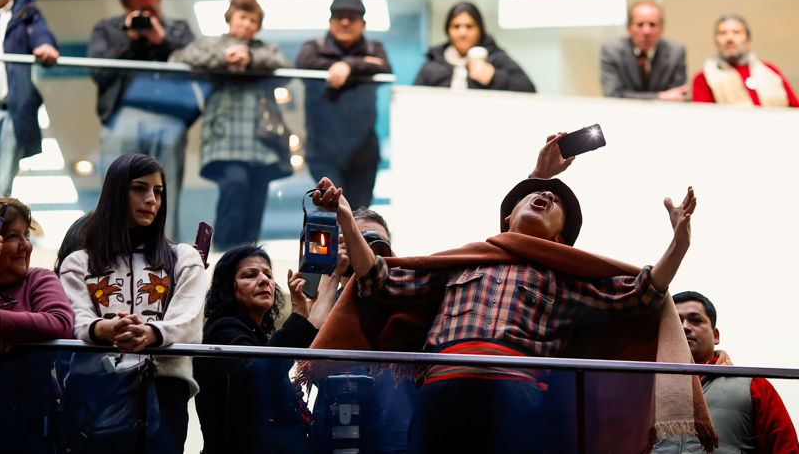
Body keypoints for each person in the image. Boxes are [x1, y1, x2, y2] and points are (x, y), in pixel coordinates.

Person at [302, 156, 716, 453]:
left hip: (516, 393)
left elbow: (642, 295)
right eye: (536, 194)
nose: (545, 197)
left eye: (555, 203)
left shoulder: (567, 276)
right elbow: (377, 281)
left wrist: (678, 244)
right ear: (506, 219)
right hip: (443, 388)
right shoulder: (461, 261)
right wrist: (341, 215)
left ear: (560, 239)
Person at [59, 153, 207, 454]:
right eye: (140, 188)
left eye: (158, 191)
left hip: (164, 390)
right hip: (96, 389)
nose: (152, 199)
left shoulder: (184, 258)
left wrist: (150, 334)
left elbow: (190, 323)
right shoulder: (78, 263)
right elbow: (73, 318)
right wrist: (104, 329)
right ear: (115, 193)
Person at [169, 0, 292, 250]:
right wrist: (225, 57)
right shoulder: (211, 44)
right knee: (235, 185)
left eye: (252, 20)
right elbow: (178, 59)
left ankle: (248, 254)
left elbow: (283, 67)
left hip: (261, 141)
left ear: (258, 25)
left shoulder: (265, 49)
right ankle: (224, 252)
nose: (246, 24)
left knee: (256, 198)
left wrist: (249, 59)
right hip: (224, 137)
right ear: (230, 19)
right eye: (242, 17)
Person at [193, 244, 338, 453]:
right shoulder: (223, 329)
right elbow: (257, 375)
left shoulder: (252, 335)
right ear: (228, 288)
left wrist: (286, 392)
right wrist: (297, 313)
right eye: (250, 275)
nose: (264, 280)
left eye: (268, 275)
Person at [87, 0, 196, 239]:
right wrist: (130, 38)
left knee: (166, 193)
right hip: (123, 118)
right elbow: (98, 73)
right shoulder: (107, 29)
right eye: (140, 9)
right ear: (125, 6)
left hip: (170, 119)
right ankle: (113, 247)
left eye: (152, 7)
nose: (148, 14)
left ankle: (165, 253)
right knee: (117, 189)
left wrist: (164, 42)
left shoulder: (178, 30)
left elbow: (197, 67)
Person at [311, 207, 418, 454]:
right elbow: (311, 345)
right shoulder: (324, 302)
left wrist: (390, 265)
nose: (366, 247)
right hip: (337, 435)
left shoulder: (407, 299)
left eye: (375, 240)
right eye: (356, 238)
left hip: (398, 435)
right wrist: (335, 271)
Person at [653, 291, 799, 453]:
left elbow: (785, 449)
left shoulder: (753, 386)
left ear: (715, 336)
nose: (685, 327)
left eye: (696, 320)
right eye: (676, 321)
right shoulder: (643, 388)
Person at [296, 0, 392, 210]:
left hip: (363, 153)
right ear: (330, 21)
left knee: (359, 218)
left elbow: (385, 68)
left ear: (363, 24)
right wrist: (359, 63)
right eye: (339, 17)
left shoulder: (374, 47)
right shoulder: (312, 47)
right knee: (329, 217)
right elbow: (304, 63)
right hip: (323, 152)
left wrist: (348, 65)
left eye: (352, 17)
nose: (345, 22)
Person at [0, 197, 74, 453]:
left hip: (33, 420)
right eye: (11, 236)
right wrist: (21, 329)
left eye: (26, 235)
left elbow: (60, 323)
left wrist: (7, 328)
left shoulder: (39, 278)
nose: (25, 245)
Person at [0, 0, 59, 197]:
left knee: (2, 186)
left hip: (13, 109)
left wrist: (46, 47)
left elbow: (42, 35)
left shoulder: (27, 13)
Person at [413, 1, 535, 92]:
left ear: (480, 30)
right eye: (456, 26)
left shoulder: (496, 58)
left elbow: (529, 89)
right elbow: (412, 98)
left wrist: (493, 77)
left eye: (469, 26)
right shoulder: (434, 63)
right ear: (448, 30)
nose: (462, 33)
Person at [692, 14, 799, 107]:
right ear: (715, 44)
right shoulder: (703, 78)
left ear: (748, 42)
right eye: (723, 33)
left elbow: (795, 110)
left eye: (736, 32)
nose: (729, 38)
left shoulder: (770, 71)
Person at [600, 1, 687, 100]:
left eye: (652, 24)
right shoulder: (611, 51)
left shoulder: (676, 52)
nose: (646, 31)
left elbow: (678, 95)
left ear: (662, 28)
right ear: (629, 28)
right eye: (640, 24)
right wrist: (660, 96)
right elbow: (613, 94)